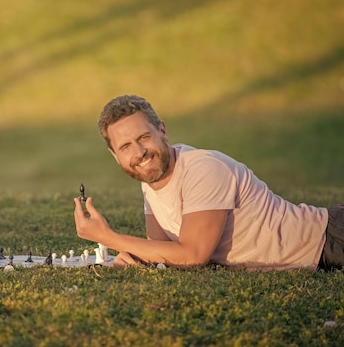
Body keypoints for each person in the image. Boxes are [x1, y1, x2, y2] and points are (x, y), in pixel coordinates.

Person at [73, 95, 344, 270]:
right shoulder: (150, 180)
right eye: (126, 146)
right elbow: (162, 249)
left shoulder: (202, 170)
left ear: (162, 131)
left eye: (144, 138)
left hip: (329, 240)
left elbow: (192, 256)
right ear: (115, 155)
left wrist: (109, 238)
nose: (139, 153)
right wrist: (131, 258)